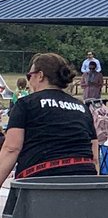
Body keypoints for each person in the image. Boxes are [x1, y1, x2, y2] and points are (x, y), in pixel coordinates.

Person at [0, 53, 99, 187]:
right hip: (83, 179)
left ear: (40, 76)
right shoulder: (82, 107)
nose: (29, 81)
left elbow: (11, 148)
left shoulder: (26, 104)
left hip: (41, 181)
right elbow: (94, 156)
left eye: (29, 76)